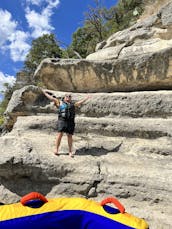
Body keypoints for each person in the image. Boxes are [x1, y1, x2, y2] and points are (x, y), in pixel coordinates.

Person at [42, 89, 90, 157]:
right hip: (62, 120)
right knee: (60, 134)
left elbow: (80, 103)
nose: (68, 97)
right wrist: (44, 93)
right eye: (67, 96)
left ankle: (70, 151)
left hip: (70, 121)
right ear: (64, 97)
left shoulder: (73, 104)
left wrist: (86, 98)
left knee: (69, 136)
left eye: (69, 96)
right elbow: (51, 98)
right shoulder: (59, 102)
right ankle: (56, 149)